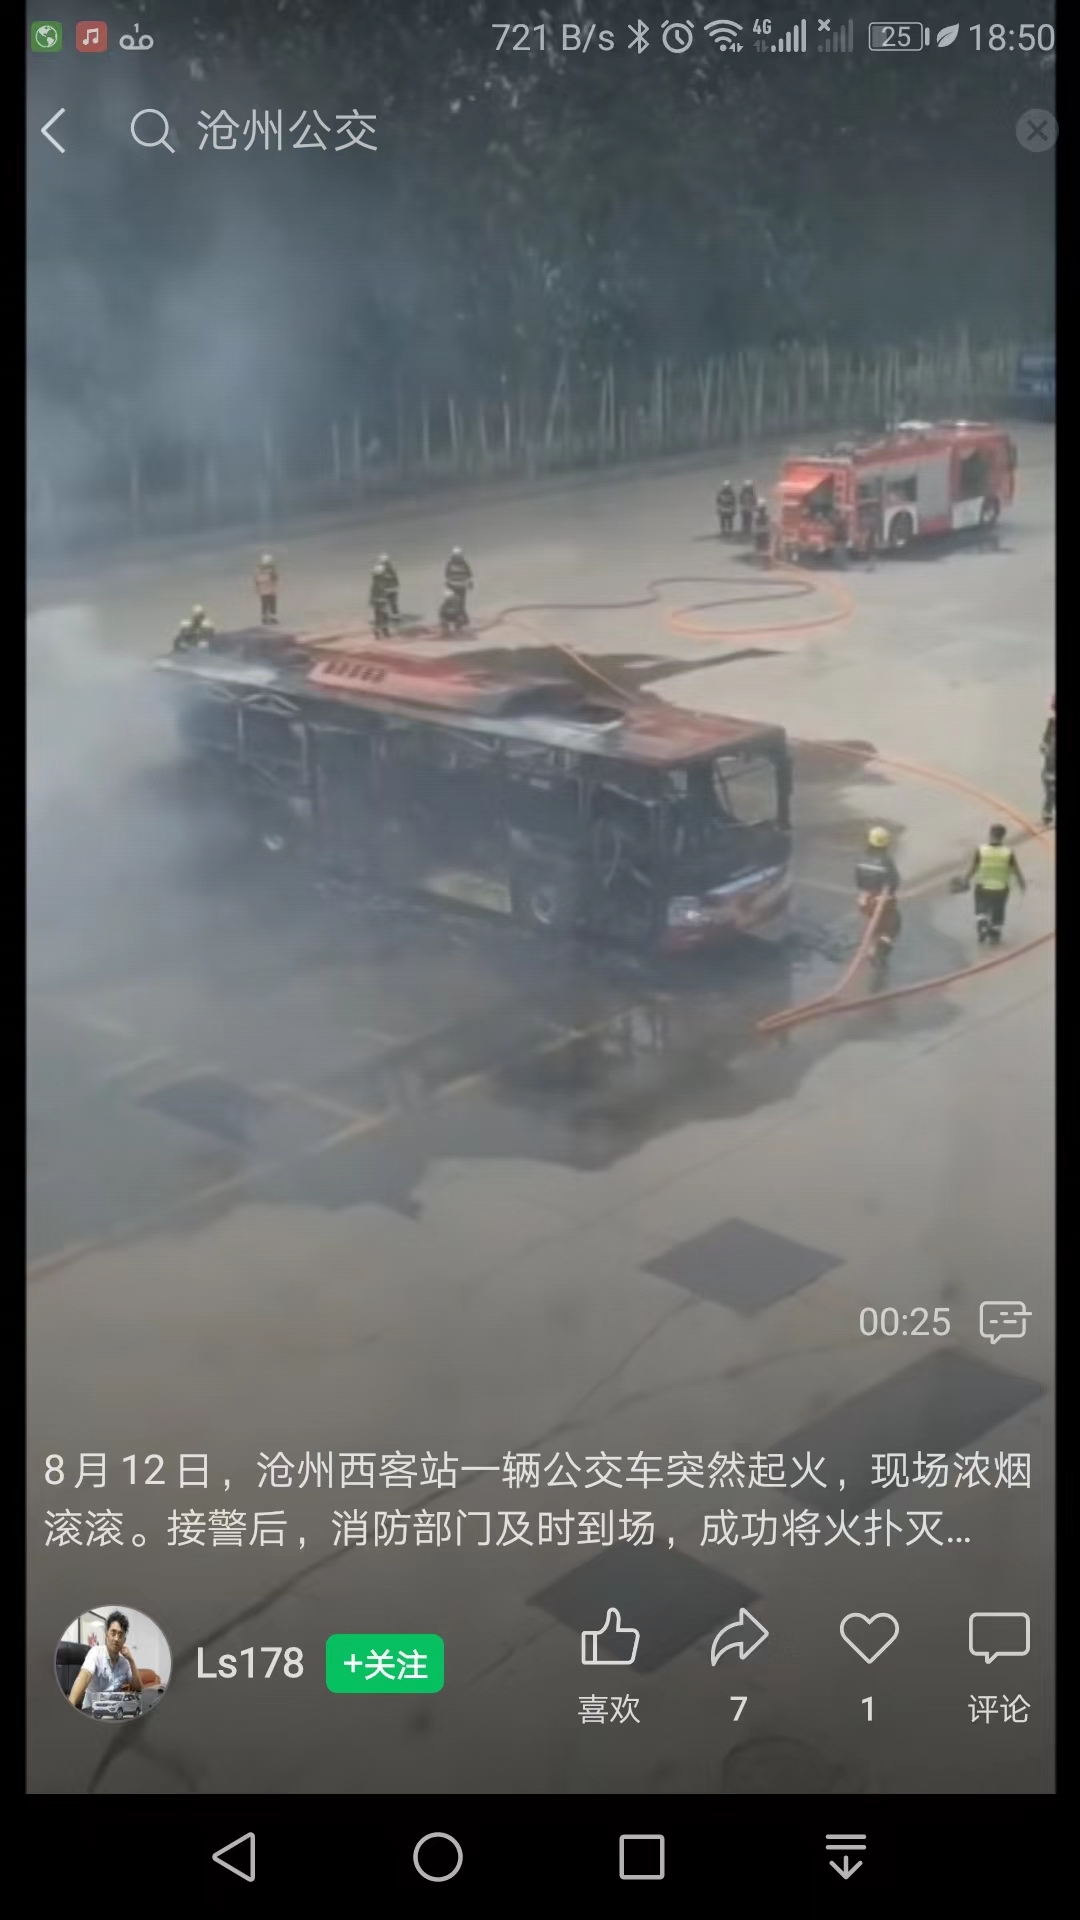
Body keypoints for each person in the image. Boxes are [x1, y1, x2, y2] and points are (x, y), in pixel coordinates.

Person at [955, 824, 1027, 945]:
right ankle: (995, 932)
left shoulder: (981, 850)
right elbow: (1016, 870)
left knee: (981, 908)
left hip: (983, 886)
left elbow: (973, 867)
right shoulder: (1008, 853)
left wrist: (966, 880)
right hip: (1001, 888)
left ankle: (982, 923)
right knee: (998, 910)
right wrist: (1022, 884)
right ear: (1003, 836)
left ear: (990, 834)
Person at [67, 1611, 143, 1711]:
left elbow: (139, 1687)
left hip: (114, 1710)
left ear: (124, 1640)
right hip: (93, 1710)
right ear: (106, 1635)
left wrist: (131, 1660)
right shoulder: (95, 1652)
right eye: (113, 1633)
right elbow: (84, 1677)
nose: (116, 1638)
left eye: (120, 1635)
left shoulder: (124, 1662)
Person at [854, 825, 901, 971]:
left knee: (874, 924)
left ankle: (872, 946)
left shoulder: (861, 859)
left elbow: (858, 881)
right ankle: (878, 952)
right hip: (881, 902)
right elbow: (894, 882)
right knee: (893, 926)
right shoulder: (886, 861)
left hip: (865, 900)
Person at [1041, 698, 1056, 827]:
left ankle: (1047, 813)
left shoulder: (1052, 722)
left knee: (1051, 789)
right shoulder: (1052, 722)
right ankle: (1047, 813)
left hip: (1050, 763)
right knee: (1051, 789)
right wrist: (1045, 746)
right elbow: (1045, 742)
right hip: (1051, 763)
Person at [255, 553, 278, 625]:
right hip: (270, 589)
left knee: (264, 603)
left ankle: (264, 618)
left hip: (262, 589)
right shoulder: (271, 569)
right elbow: (275, 578)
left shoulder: (258, 569)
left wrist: (257, 589)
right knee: (272, 603)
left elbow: (256, 580)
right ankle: (272, 618)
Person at [369, 566, 393, 637]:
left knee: (381, 617)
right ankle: (382, 632)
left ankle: (381, 632)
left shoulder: (377, 582)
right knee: (381, 617)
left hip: (379, 602)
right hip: (379, 603)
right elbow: (377, 593)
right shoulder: (378, 583)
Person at [376, 554, 400, 619]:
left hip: (386, 590)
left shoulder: (380, 569)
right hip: (393, 589)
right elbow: (396, 580)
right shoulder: (392, 569)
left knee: (384, 603)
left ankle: (385, 616)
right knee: (393, 603)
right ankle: (395, 615)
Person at [753, 499, 772, 567]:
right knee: (764, 548)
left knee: (762, 548)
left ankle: (764, 562)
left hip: (761, 534)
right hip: (764, 534)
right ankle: (765, 562)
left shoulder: (758, 517)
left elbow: (756, 526)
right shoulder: (766, 517)